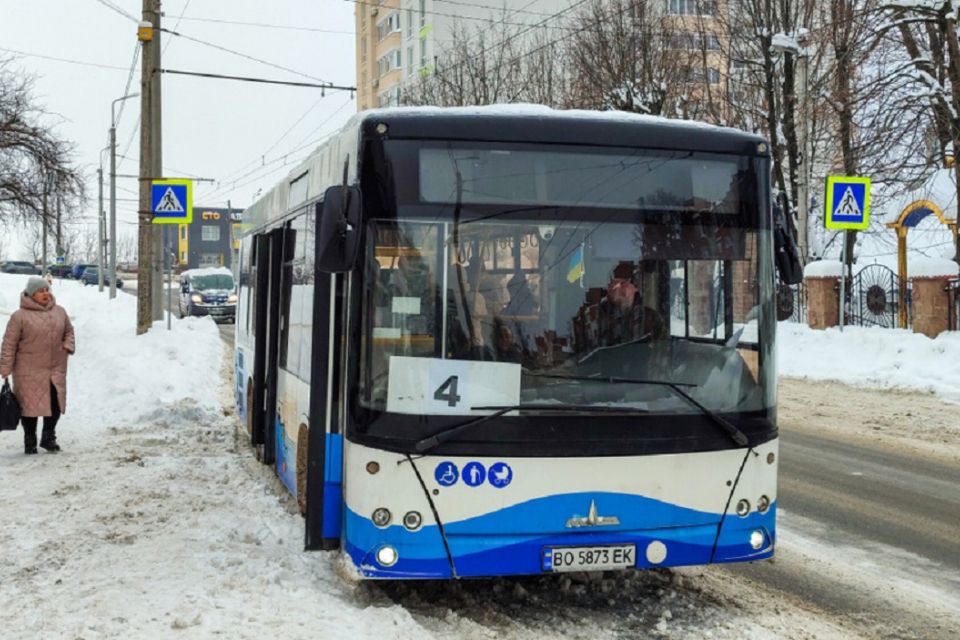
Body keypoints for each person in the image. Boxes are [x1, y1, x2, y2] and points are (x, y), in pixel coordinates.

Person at [0, 276, 75, 454]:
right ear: (31, 294)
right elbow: (9, 343)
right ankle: (30, 439)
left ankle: (48, 436)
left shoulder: (60, 312)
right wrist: (5, 367)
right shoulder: (19, 317)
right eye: (41, 291)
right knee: (29, 407)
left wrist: (67, 346)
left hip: (55, 368)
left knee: (56, 403)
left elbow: (69, 331)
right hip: (28, 370)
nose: (45, 294)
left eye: (47, 290)